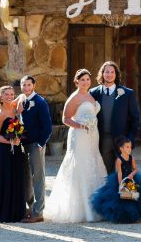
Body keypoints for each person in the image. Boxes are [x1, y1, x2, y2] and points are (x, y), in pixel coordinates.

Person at [45, 68, 107, 222]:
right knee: (80, 164)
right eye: (82, 80)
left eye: (87, 79)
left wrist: (90, 125)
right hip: (79, 136)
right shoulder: (74, 97)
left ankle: (97, 206)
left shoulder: (90, 95)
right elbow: (65, 119)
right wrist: (80, 125)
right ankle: (80, 210)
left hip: (93, 135)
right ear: (76, 81)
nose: (85, 82)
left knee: (93, 162)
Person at [89, 61, 141, 174]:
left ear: (116, 74)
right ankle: (108, 192)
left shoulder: (127, 93)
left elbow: (135, 119)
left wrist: (130, 139)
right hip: (102, 139)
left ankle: (122, 192)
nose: (109, 74)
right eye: (107, 71)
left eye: (112, 72)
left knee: (123, 172)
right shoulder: (93, 93)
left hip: (122, 140)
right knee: (104, 172)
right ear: (102, 74)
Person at [90, 136, 141, 223]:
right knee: (121, 197)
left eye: (130, 147)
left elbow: (135, 169)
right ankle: (122, 216)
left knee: (133, 195)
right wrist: (120, 184)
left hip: (131, 179)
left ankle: (134, 215)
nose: (129, 149)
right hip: (121, 179)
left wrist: (132, 174)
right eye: (127, 147)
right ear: (121, 148)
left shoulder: (131, 158)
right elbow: (119, 172)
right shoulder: (119, 160)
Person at [0, 85, 28, 222]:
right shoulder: (0, 114)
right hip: (5, 150)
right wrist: (9, 142)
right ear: (1, 97)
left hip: (16, 149)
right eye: (6, 95)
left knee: (17, 178)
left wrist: (20, 99)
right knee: (6, 178)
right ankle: (4, 213)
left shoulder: (14, 105)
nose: (10, 97)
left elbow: (22, 96)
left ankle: (17, 211)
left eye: (11, 94)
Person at [17, 75, 53, 223]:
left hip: (36, 145)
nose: (26, 87)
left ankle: (38, 212)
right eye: (23, 85)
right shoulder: (21, 101)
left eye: (28, 85)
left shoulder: (40, 102)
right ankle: (30, 207)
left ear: (34, 85)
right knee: (26, 177)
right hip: (24, 144)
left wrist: (41, 144)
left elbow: (48, 126)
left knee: (38, 177)